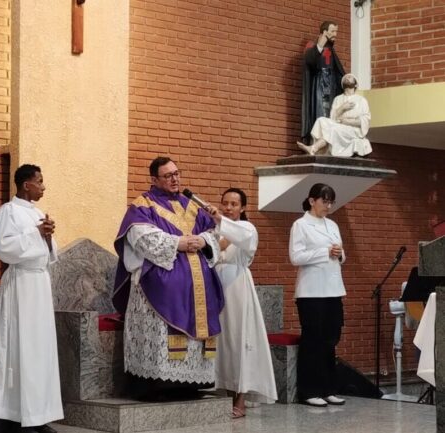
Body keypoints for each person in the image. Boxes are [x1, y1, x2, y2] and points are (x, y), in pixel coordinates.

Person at [112, 156, 224, 399]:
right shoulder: (143, 205)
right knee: (162, 336)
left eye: (177, 173)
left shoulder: (192, 205)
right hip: (160, 287)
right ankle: (156, 384)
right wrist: (179, 242)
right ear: (154, 179)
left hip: (197, 288)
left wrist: (204, 240)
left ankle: (190, 384)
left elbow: (214, 233)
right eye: (168, 175)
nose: (175, 179)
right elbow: (140, 237)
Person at [0, 164, 62, 433]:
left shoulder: (38, 213)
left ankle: (39, 415)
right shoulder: (9, 211)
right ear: (26, 184)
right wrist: (37, 234)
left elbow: (50, 253)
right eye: (39, 182)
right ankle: (17, 416)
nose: (43, 186)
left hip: (39, 284)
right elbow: (3, 248)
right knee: (22, 349)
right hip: (21, 284)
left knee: (41, 351)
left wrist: (49, 236)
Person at [206, 188, 277, 418]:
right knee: (222, 341)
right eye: (225, 203)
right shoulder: (214, 229)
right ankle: (225, 394)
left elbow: (233, 240)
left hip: (237, 286)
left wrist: (219, 223)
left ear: (243, 207)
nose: (228, 207)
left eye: (234, 204)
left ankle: (241, 399)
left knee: (240, 340)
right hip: (215, 283)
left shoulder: (247, 228)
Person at [289, 183, 346, 407]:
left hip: (333, 289)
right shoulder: (300, 225)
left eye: (331, 202)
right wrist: (325, 252)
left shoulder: (332, 224)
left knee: (331, 340)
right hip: (311, 292)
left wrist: (340, 254)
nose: (328, 205)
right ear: (312, 201)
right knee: (312, 341)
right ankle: (309, 390)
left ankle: (328, 388)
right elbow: (296, 257)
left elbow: (341, 254)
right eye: (325, 201)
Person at [297, 74, 372, 157]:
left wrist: (347, 121)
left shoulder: (361, 100)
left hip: (353, 130)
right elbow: (332, 118)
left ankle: (314, 148)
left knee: (333, 129)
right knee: (321, 120)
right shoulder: (337, 99)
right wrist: (342, 108)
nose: (347, 78)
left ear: (356, 84)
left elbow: (365, 121)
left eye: (350, 77)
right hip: (339, 124)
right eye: (345, 78)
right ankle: (317, 147)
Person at [301, 20, 345, 144]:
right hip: (318, 86)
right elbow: (310, 61)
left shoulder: (331, 50)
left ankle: (327, 143)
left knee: (330, 114)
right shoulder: (313, 46)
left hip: (331, 87)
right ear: (324, 32)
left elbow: (338, 72)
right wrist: (319, 46)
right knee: (320, 112)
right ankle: (316, 142)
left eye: (336, 31)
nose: (335, 34)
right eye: (332, 31)